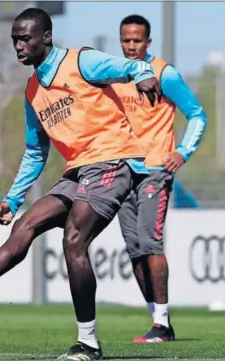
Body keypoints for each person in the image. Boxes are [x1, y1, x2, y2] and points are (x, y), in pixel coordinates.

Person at [0, 7, 162, 361]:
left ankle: (88, 343)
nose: (18, 46)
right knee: (27, 223)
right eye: (14, 40)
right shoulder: (31, 91)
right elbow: (35, 150)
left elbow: (128, 66)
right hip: (78, 170)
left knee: (74, 238)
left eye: (24, 38)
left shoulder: (81, 61)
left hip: (114, 159)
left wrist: (144, 73)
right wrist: (13, 198)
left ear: (46, 37)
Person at [113, 14, 207, 343]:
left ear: (148, 42)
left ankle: (163, 322)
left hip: (155, 171)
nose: (131, 46)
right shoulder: (117, 74)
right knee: (134, 248)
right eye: (126, 40)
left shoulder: (165, 74)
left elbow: (197, 114)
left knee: (149, 241)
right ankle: (158, 322)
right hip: (122, 172)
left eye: (137, 40)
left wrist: (182, 151)